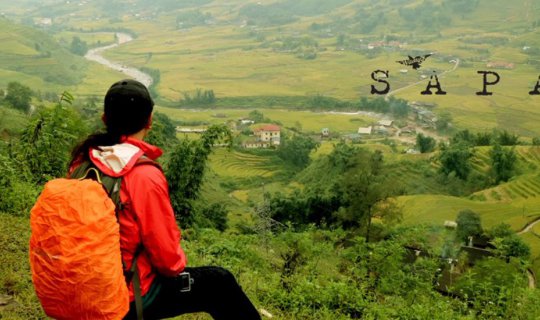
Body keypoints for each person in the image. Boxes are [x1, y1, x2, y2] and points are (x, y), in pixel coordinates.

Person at [69, 79, 261, 320]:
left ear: (104, 119)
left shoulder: (83, 161)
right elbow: (168, 261)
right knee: (219, 283)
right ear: (149, 120)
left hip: (78, 284)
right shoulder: (143, 174)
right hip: (122, 295)